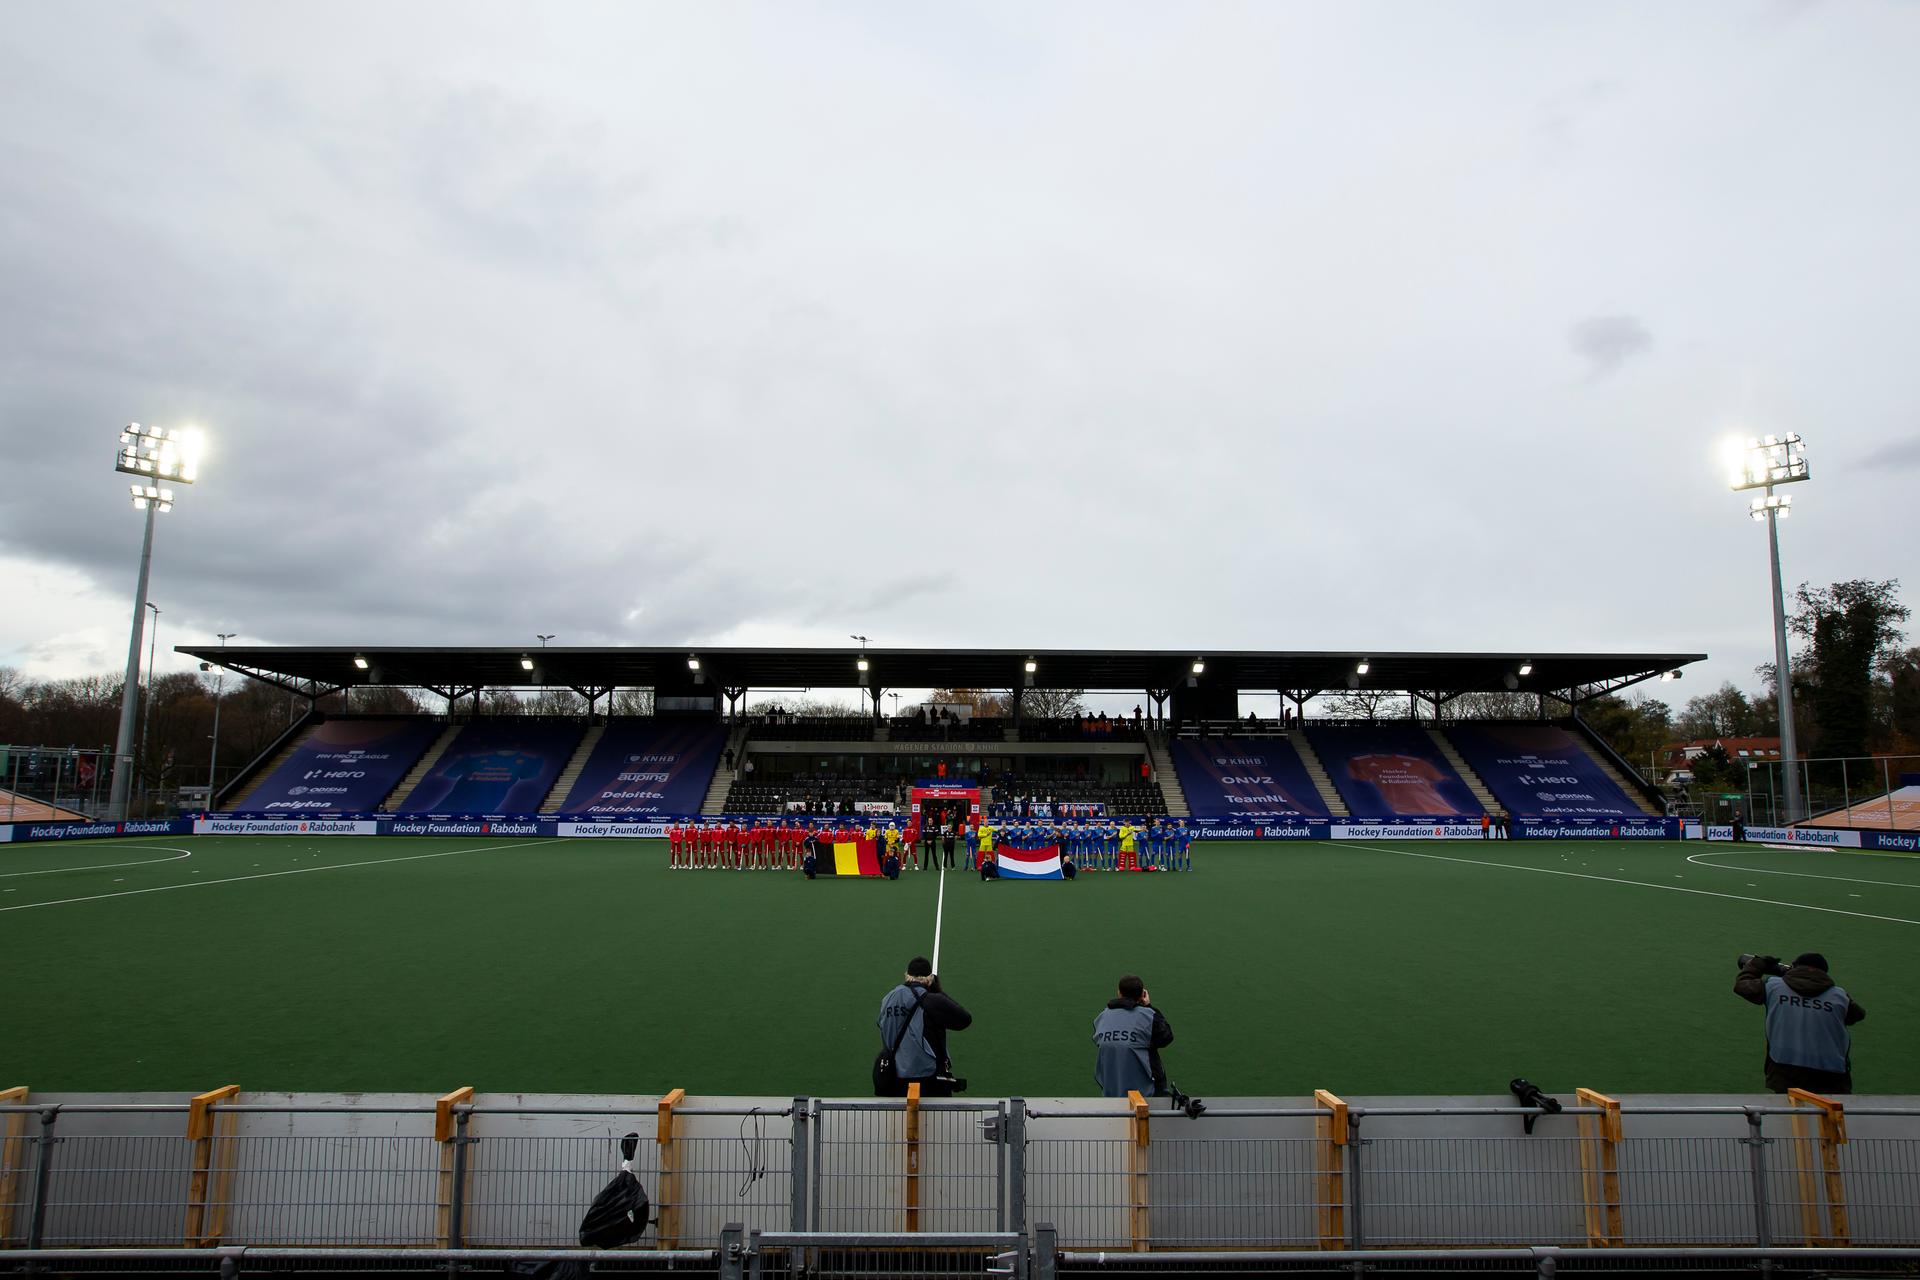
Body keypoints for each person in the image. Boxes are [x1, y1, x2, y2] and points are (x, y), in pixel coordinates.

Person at [1734, 952, 1866, 1094]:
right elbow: (1857, 1015)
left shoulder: (1773, 986)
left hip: (1785, 1068)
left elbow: (1742, 986)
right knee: (1830, 1107)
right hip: (1832, 1073)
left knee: (1787, 1107)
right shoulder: (1839, 996)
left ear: (1795, 967)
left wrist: (1757, 964)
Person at [875, 957, 972, 1097]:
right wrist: (938, 991)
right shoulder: (931, 1000)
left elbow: (881, 1025)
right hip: (928, 1080)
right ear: (929, 979)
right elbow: (964, 1020)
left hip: (894, 1077)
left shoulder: (888, 999)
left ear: (907, 975)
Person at [1094, 975, 1174, 1098]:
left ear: (1119, 993)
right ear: (1142, 994)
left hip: (1111, 1092)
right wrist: (1148, 1005)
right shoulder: (1148, 1016)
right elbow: (1166, 1037)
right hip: (1145, 1095)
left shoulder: (1101, 1018)